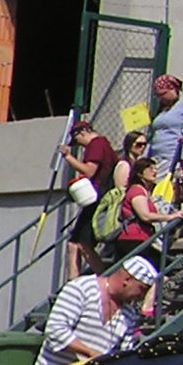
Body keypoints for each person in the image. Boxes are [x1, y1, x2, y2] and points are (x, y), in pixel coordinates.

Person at [33, 254, 155, 365]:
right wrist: (90, 353)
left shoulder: (130, 314)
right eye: (142, 289)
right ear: (127, 280)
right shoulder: (82, 289)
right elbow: (55, 329)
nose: (142, 296)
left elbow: (124, 353)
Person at [61, 120, 119, 280]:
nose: (80, 146)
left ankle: (104, 279)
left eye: (78, 141)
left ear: (83, 133)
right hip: (98, 198)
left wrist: (68, 157)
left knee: (81, 243)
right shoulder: (102, 144)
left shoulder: (96, 145)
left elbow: (89, 171)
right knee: (74, 243)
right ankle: (73, 283)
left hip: (98, 199)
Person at [147, 74, 183, 196]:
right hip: (156, 157)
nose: (160, 98)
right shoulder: (163, 109)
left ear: (173, 90)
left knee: (165, 195)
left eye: (163, 94)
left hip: (173, 157)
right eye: (158, 96)